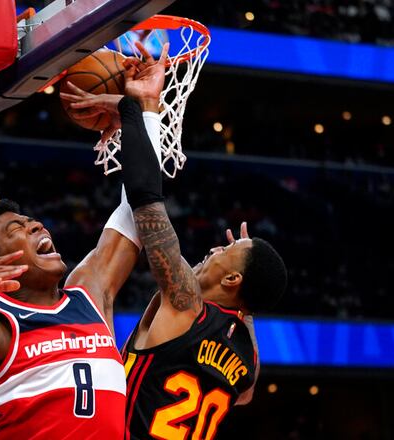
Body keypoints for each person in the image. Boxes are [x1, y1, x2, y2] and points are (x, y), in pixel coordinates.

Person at [0, 49, 169, 440]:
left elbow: (138, 206)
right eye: (17, 230)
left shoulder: (89, 293)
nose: (36, 225)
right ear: (0, 263)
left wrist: (145, 108)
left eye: (32, 221)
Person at [64, 45, 287, 439]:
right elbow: (247, 394)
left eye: (227, 251)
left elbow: (144, 201)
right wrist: (246, 299)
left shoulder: (187, 304)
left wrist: (139, 110)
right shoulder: (245, 362)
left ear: (233, 281)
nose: (217, 248)